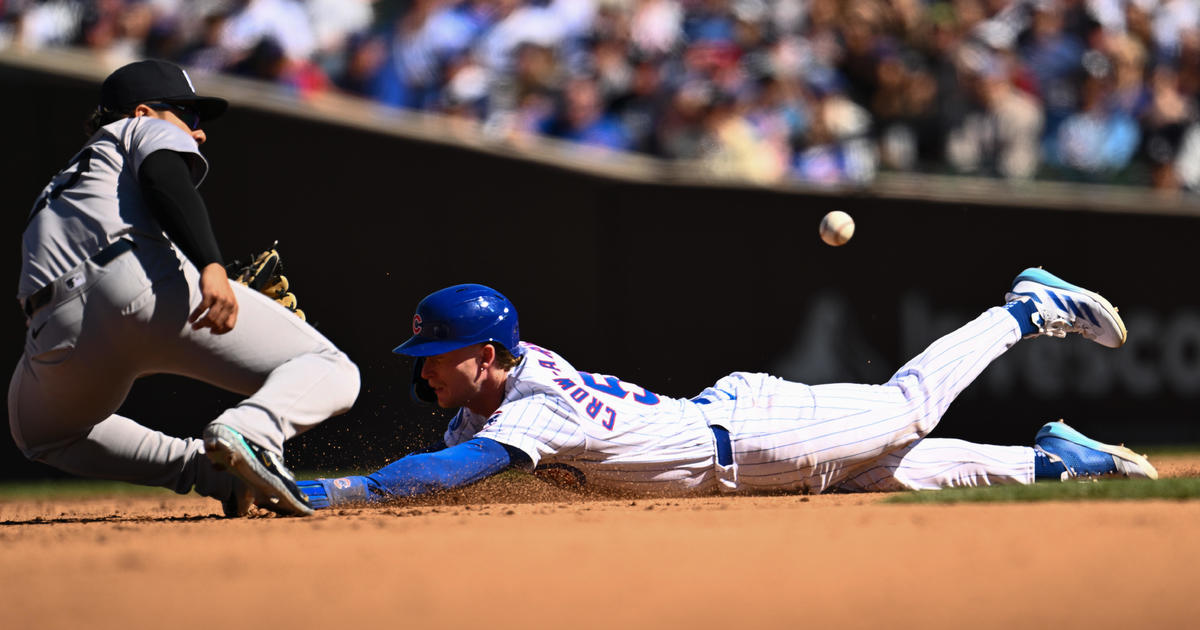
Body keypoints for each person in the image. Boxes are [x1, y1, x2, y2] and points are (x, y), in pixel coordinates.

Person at [298, 273, 1155, 508]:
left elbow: (445, 475)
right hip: (736, 446)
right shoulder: (494, 393)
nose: (423, 366)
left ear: (486, 355)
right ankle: (1056, 463)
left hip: (752, 436)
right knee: (903, 472)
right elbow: (449, 455)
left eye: (436, 354)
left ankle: (1023, 309)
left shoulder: (531, 406)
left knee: (906, 411)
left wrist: (342, 491)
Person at [8, 59, 361, 517]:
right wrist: (210, 265)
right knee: (331, 367)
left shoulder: (66, 181)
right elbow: (164, 178)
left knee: (44, 434)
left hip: (54, 327)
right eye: (188, 116)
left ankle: (208, 471)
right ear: (141, 111)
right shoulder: (137, 130)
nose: (199, 132)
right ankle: (253, 430)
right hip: (135, 286)